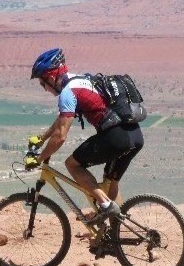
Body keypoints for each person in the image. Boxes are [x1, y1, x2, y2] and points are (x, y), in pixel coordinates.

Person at [26, 47, 144, 223]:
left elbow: (61, 136)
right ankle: (115, 233)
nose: (44, 89)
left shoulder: (67, 92)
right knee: (110, 182)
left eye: (43, 84)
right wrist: (42, 138)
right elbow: (61, 118)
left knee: (72, 165)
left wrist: (39, 158)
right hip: (134, 135)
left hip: (116, 136)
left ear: (50, 78)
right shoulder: (80, 80)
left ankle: (105, 205)